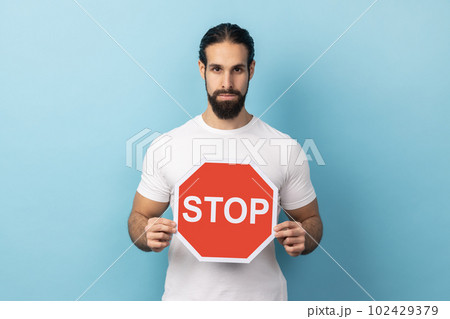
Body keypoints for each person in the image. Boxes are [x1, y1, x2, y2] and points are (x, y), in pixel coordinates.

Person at [127, 23, 323, 301]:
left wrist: (305, 237)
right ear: (202, 69)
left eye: (237, 70)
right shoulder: (167, 147)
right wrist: (145, 233)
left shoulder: (285, 148)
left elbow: (312, 221)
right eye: (217, 69)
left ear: (251, 70)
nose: (227, 83)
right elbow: (138, 218)